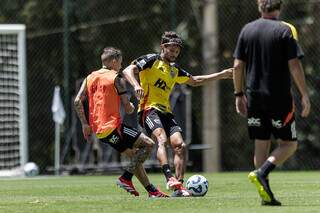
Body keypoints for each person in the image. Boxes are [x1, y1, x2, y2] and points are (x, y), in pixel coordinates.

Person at [122, 31, 233, 196]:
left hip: (166, 112)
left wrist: (221, 75)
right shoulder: (152, 60)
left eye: (177, 51)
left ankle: (179, 187)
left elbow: (195, 81)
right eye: (171, 49)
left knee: (180, 146)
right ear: (163, 47)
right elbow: (127, 70)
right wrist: (136, 85)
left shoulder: (174, 70)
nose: (174, 53)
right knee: (161, 139)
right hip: (148, 109)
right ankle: (169, 177)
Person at [233, 0, 310, 206]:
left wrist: (239, 94)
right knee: (289, 144)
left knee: (261, 144)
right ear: (279, 7)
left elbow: (238, 65)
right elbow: (294, 65)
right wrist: (304, 94)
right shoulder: (284, 30)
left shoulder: (247, 30)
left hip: (254, 96)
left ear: (260, 7)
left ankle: (264, 195)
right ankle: (262, 173)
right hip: (278, 98)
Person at [74, 47, 168, 198]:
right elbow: (129, 109)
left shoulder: (89, 77)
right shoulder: (116, 78)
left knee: (134, 157)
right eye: (120, 63)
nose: (121, 66)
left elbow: (77, 100)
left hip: (100, 131)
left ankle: (152, 191)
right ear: (114, 61)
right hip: (113, 126)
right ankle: (125, 178)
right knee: (149, 144)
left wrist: (85, 124)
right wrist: (132, 104)